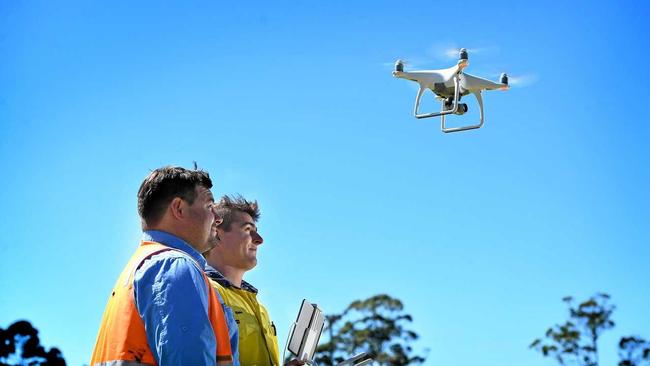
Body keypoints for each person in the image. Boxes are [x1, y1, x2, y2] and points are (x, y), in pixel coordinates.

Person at [90, 166, 236, 366]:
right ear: (178, 208)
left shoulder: (141, 267)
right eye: (209, 205)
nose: (217, 217)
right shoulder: (175, 266)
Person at [204, 195, 283, 366]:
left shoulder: (260, 308)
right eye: (248, 230)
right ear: (216, 233)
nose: (259, 239)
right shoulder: (204, 292)